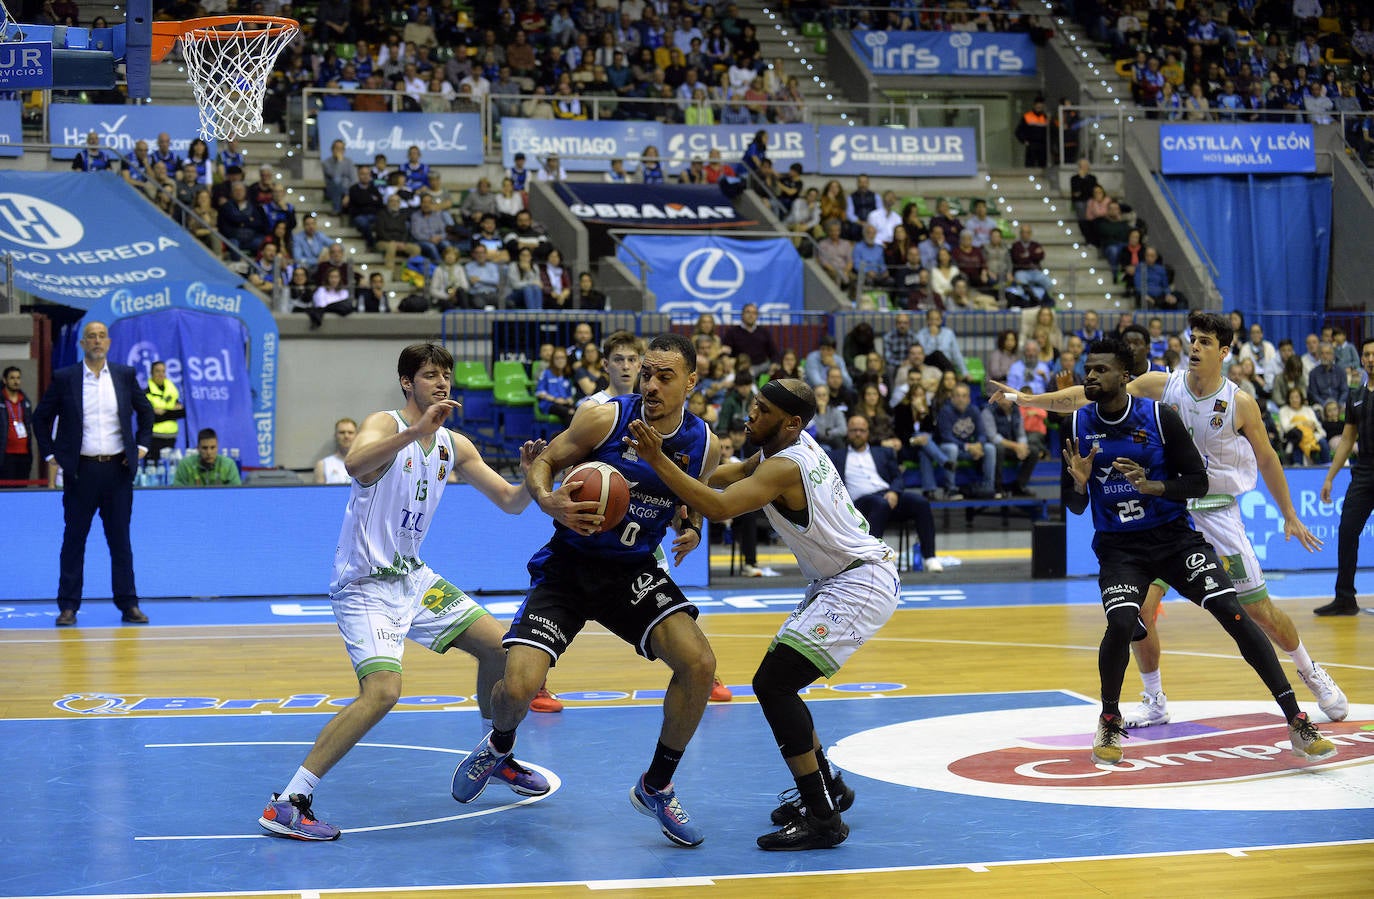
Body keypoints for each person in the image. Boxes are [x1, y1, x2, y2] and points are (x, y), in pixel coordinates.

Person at [257, 343, 551, 840]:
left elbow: (509, 503)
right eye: (431, 375)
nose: (442, 383)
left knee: (501, 650)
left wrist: (529, 479)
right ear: (406, 383)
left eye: (447, 375)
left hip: (413, 579)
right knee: (383, 692)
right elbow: (355, 464)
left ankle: (495, 753)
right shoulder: (385, 424)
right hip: (366, 585)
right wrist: (415, 431)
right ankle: (289, 802)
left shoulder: (454, 445)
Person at [996, 312, 1345, 723]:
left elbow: (1267, 460)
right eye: (1192, 339)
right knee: (1140, 611)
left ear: (1225, 352)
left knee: (1259, 611)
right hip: (1166, 514)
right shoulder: (1163, 384)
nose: (1195, 347)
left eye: (1205, 342)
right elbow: (1086, 395)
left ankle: (1310, 671)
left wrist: (1289, 513)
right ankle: (1155, 698)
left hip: (1217, 512)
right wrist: (1025, 399)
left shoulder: (1240, 402)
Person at [448, 335, 719, 849]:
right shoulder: (606, 419)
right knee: (518, 689)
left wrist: (693, 523)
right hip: (570, 567)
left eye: (666, 376)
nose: (653, 385)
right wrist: (549, 502)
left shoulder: (705, 443)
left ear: (691, 382)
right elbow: (544, 464)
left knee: (700, 664)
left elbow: (692, 493)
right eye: (648, 374)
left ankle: (656, 785)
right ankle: (500, 745)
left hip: (632, 571)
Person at [626, 377, 897, 849]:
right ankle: (828, 789)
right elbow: (726, 477)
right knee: (779, 682)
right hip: (839, 580)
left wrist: (657, 461)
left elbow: (720, 505)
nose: (750, 414)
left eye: (762, 409)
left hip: (858, 582)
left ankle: (823, 819)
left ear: (790, 422)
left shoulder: (787, 466)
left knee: (773, 685)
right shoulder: (787, 444)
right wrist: (678, 503)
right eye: (753, 404)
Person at [1058, 336, 1336, 766]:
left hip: (1173, 539)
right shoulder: (1076, 426)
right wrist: (1079, 482)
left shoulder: (1159, 417)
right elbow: (1074, 505)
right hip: (1120, 549)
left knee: (1236, 613)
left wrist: (1154, 486)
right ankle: (1109, 719)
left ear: (1124, 377)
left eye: (1100, 370)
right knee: (1121, 624)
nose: (1090, 376)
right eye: (1087, 369)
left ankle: (1296, 718)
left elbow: (1199, 483)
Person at [32, 321, 154, 627]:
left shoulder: (124, 376)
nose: (97, 341)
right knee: (74, 540)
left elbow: (147, 411)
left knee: (120, 541)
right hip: (80, 472)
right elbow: (40, 418)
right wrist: (51, 455)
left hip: (118, 470)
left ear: (109, 343)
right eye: (91, 337)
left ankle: (129, 604)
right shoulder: (65, 378)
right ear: (83, 344)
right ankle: (69, 606)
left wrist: (141, 446)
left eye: (101, 336)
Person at [828, 414, 941, 571]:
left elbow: (897, 477)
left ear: (868, 433)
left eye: (862, 430)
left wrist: (894, 491)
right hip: (860, 504)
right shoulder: (835, 456)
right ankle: (872, 560)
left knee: (920, 503)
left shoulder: (883, 452)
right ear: (848, 432)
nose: (858, 434)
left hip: (887, 496)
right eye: (854, 430)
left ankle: (929, 557)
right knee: (879, 503)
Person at [1316, 337, 1374, 616]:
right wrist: (1330, 477)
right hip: (1363, 474)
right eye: (1366, 355)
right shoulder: (1356, 395)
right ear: (1361, 360)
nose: (1371, 359)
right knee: (1347, 531)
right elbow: (1348, 439)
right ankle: (1345, 598)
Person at [721, 302, 779, 378]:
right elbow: (725, 352)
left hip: (761, 367)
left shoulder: (764, 332)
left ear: (757, 316)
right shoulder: (732, 332)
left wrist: (774, 363)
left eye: (754, 313)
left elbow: (774, 352)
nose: (751, 315)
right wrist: (727, 360)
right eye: (748, 312)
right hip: (739, 367)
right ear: (742, 315)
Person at [172, 428, 242, 486]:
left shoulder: (228, 465)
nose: (209, 452)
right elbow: (177, 494)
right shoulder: (185, 465)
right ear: (198, 448)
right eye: (205, 448)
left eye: (212, 447)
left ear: (217, 447)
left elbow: (236, 494)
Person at [143, 360, 183, 461]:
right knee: (153, 470)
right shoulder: (146, 393)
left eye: (163, 371)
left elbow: (181, 412)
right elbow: (153, 418)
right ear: (151, 373)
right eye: (157, 371)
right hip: (154, 438)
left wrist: (163, 411)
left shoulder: (172, 390)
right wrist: (171, 411)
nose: (161, 374)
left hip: (171, 437)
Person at [1, 365, 33, 486]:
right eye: (12, 378)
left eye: (18, 378)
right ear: (5, 380)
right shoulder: (1, 401)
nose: (16, 381)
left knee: (22, 489)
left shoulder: (25, 401)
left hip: (24, 454)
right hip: (6, 455)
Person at [313, 418, 357, 485]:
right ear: (335, 435)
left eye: (350, 432)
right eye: (342, 432)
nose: (346, 436)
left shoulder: (365, 464)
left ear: (357, 436)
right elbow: (320, 494)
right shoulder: (323, 465)